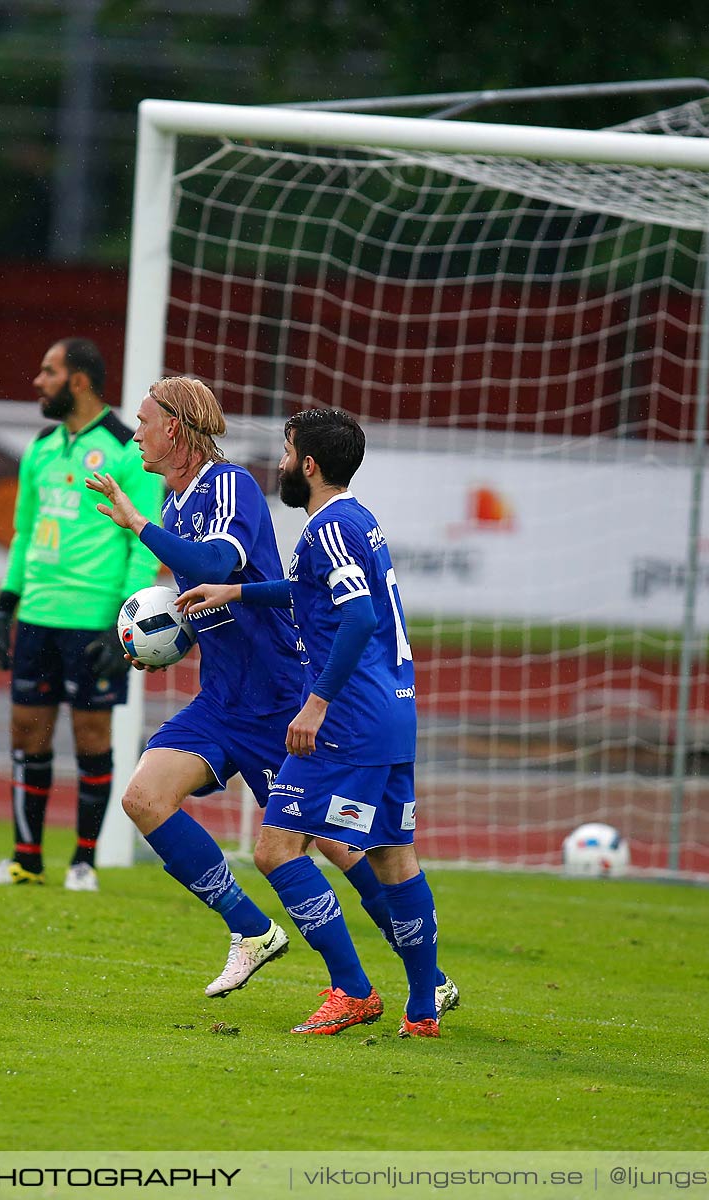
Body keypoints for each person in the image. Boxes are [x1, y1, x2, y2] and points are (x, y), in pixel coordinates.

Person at [87, 379, 455, 1029]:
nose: (135, 432)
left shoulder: (228, 488)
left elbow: (219, 565)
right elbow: (222, 591)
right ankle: (255, 932)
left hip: (285, 697)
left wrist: (138, 524)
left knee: (338, 847)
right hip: (224, 699)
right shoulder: (179, 510)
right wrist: (165, 638)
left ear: (174, 427)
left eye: (143, 421)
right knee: (145, 797)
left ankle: (411, 982)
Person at [0, 338, 162, 892]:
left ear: (78, 381)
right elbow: (25, 533)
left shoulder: (127, 449)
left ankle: (83, 863)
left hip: (93, 619)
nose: (37, 381)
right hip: (38, 616)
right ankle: (26, 859)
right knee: (28, 733)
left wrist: (122, 623)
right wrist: (6, 607)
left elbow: (142, 545)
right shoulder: (42, 447)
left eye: (48, 372)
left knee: (93, 734)